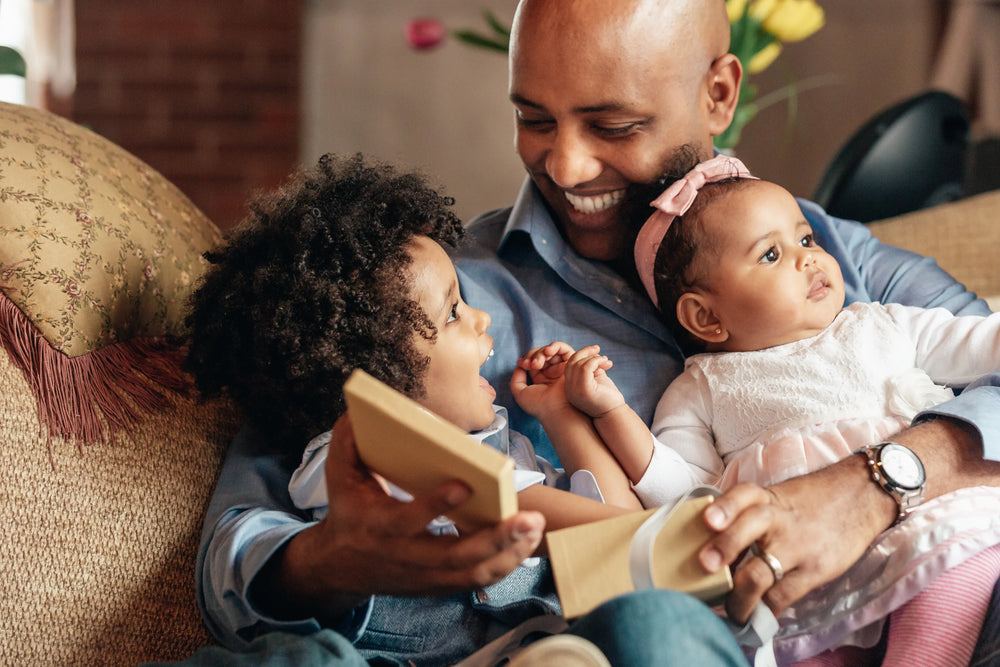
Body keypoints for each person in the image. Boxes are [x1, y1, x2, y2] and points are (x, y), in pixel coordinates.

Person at [193, 0, 1000, 663]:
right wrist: (329, 561)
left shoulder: (827, 252)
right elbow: (244, 534)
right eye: (535, 118)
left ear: (718, 94)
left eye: (613, 125)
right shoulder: (431, 295)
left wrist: (879, 479)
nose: (567, 167)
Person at [518, 154, 1000, 665]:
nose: (808, 258)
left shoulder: (883, 325)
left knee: (956, 567)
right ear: (704, 316)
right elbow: (682, 493)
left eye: (806, 239)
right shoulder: (698, 388)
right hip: (795, 569)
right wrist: (611, 409)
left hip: (920, 516)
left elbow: (980, 342)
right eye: (771, 255)